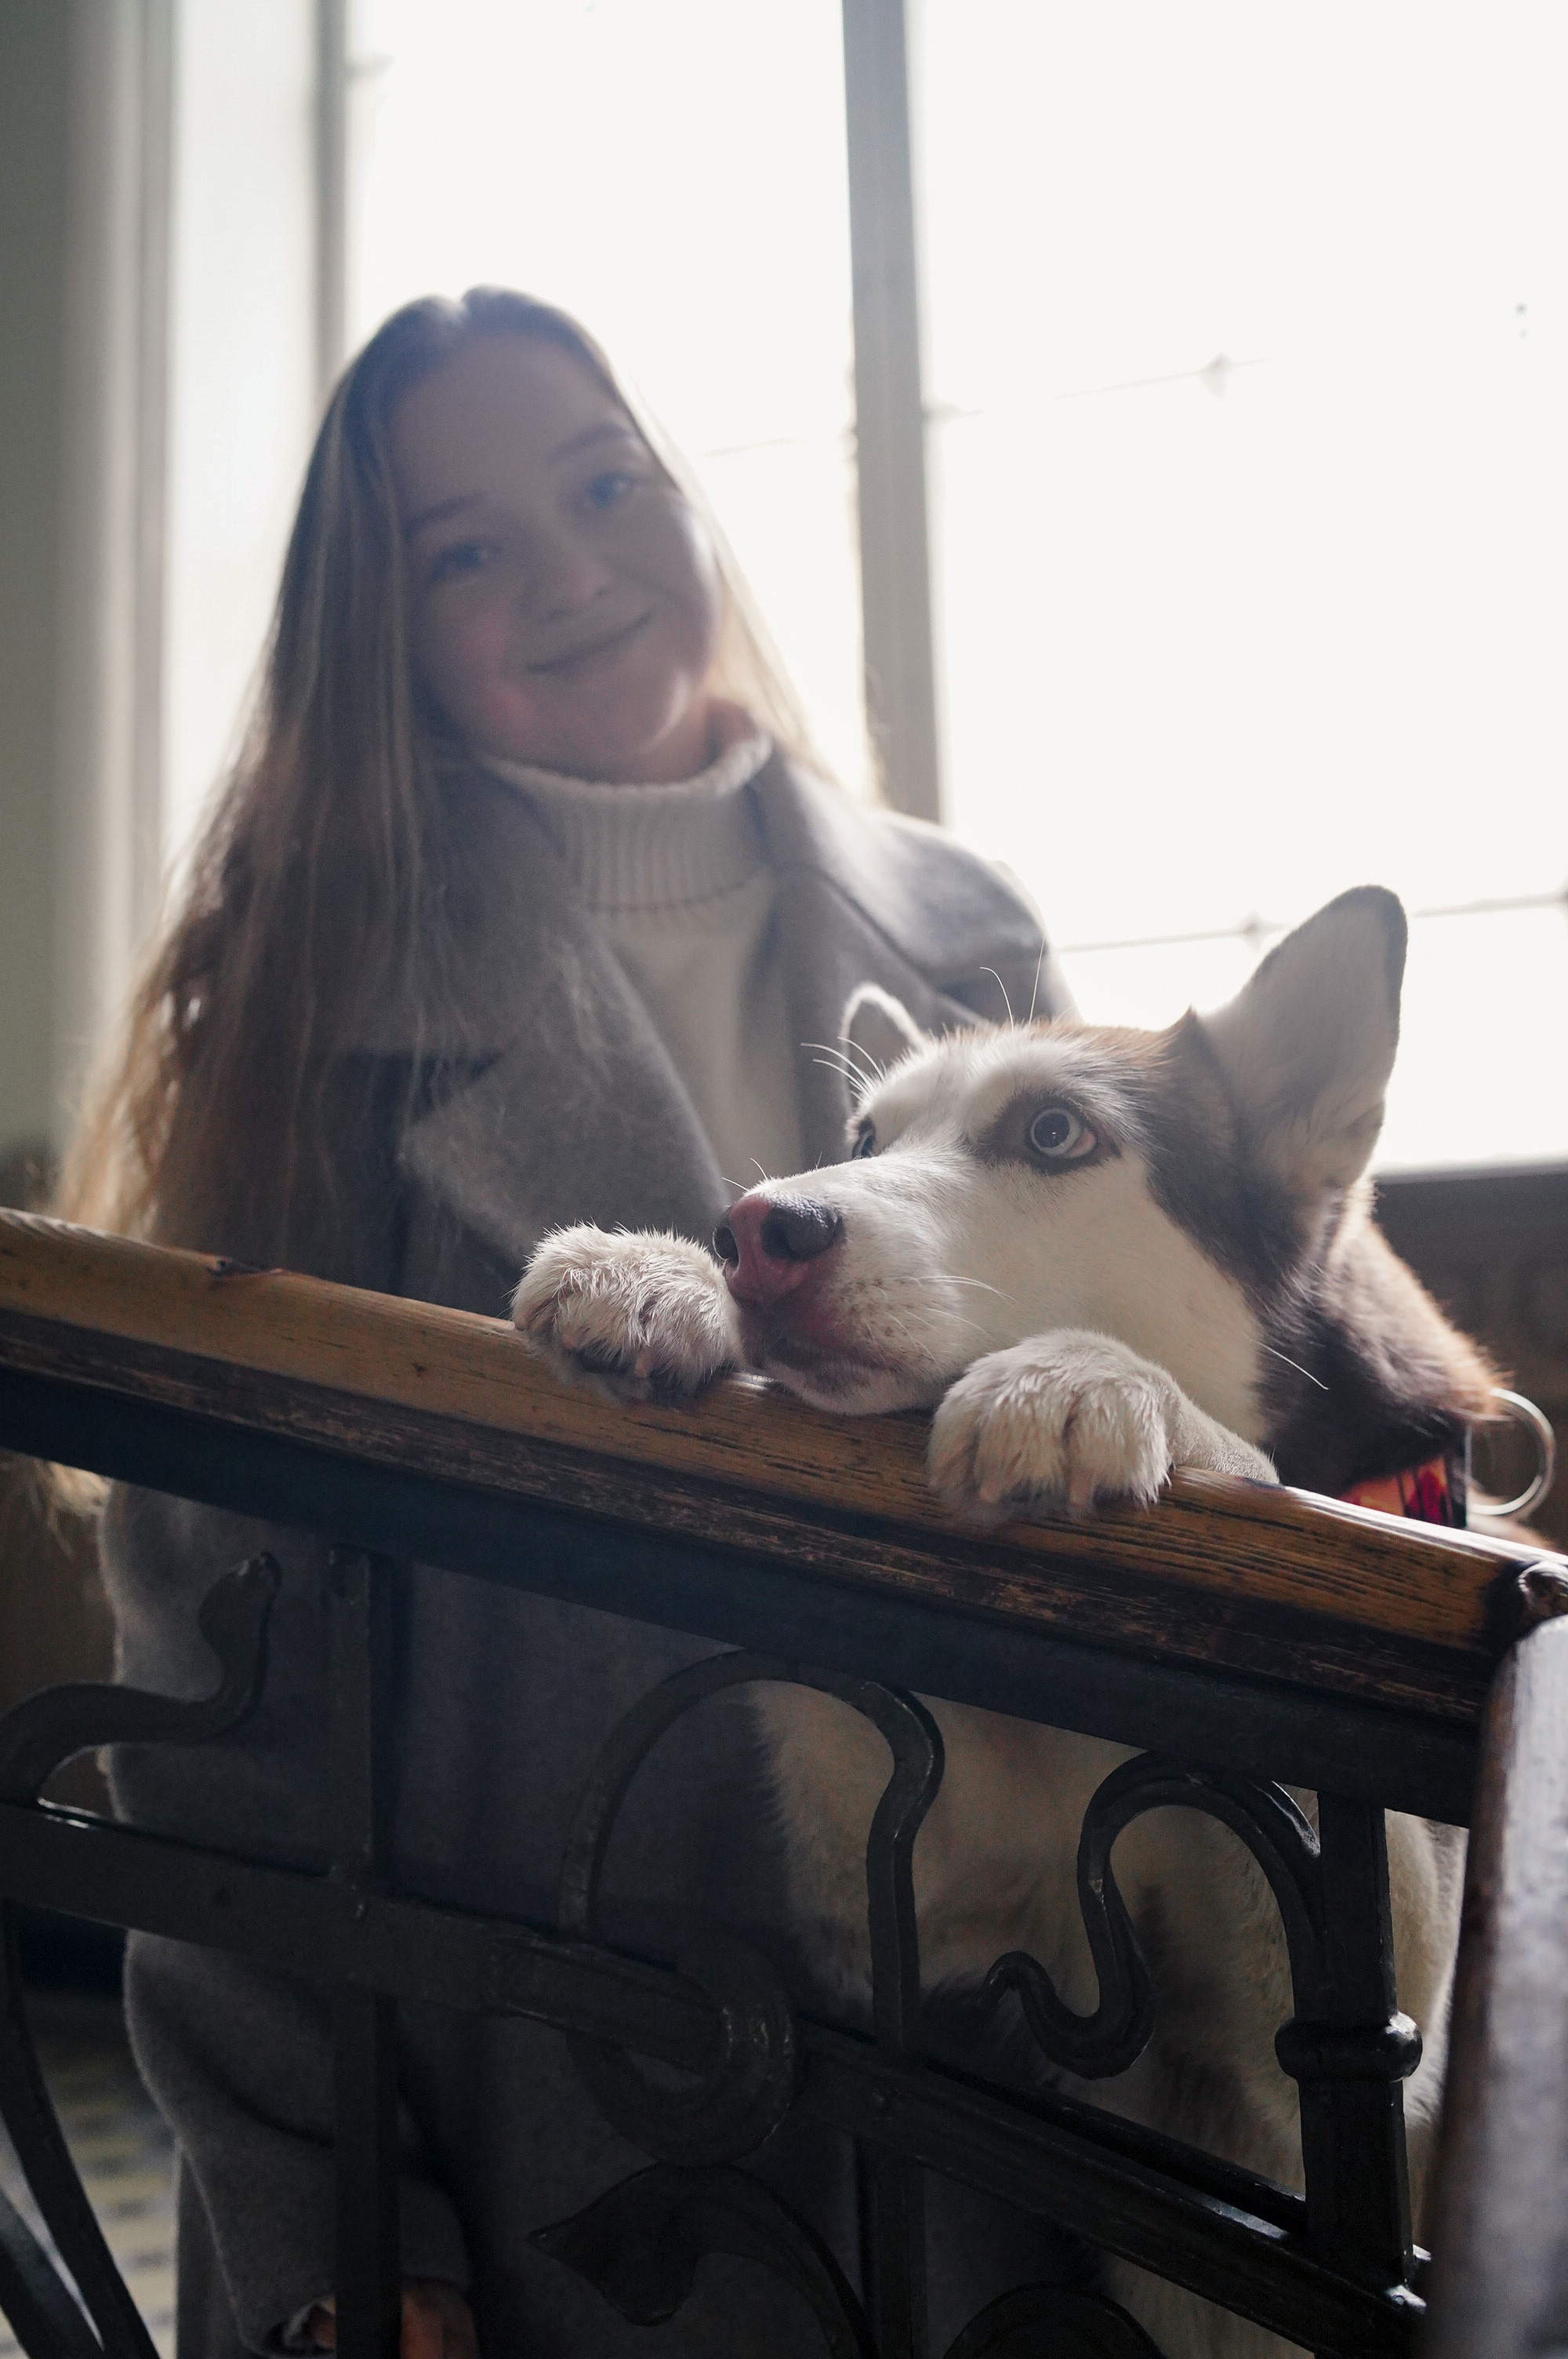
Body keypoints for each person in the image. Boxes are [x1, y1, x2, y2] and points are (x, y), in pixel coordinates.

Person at [66, 289, 1076, 2357]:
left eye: (608, 483)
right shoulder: (308, 991)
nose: (575, 567)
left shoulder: (978, 934)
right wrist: (331, 2216)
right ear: (383, 631)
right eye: (468, 547)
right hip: (540, 2109)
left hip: (988, 2082)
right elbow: (218, 1679)